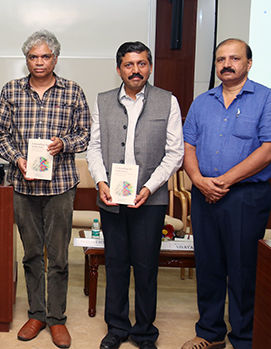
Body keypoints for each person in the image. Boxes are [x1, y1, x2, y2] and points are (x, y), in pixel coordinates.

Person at [181, 38, 271, 349]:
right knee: (208, 265)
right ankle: (210, 333)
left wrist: (223, 181)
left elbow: (270, 149)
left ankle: (244, 338)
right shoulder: (202, 102)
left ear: (248, 63)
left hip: (245, 197)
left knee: (243, 268)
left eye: (234, 58)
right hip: (204, 194)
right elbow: (188, 146)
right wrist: (199, 179)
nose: (227, 64)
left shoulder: (268, 99)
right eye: (220, 59)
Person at [0, 30, 90, 349]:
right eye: (33, 57)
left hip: (60, 184)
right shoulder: (11, 90)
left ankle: (56, 318)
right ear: (26, 60)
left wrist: (64, 144)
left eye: (45, 56)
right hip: (23, 185)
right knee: (32, 253)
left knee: (59, 255)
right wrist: (18, 158)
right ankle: (36, 313)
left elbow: (86, 134)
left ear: (56, 59)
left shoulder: (73, 91)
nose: (39, 62)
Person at [86, 41, 184, 349]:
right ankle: (116, 327)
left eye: (142, 63)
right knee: (115, 265)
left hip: (149, 200)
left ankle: (144, 331)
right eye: (129, 64)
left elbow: (174, 153)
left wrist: (149, 187)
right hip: (111, 199)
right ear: (119, 69)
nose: (136, 70)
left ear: (150, 67)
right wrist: (101, 182)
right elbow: (94, 148)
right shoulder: (102, 101)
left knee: (145, 267)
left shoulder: (168, 101)